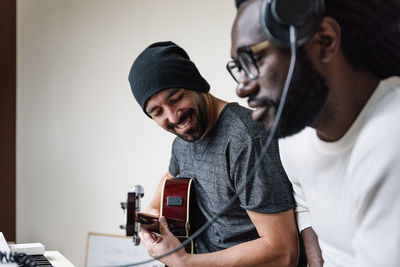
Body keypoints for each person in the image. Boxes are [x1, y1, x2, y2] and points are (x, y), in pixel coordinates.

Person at [230, 0, 400, 266]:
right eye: (238, 67)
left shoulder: (391, 136)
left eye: (253, 59)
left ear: (324, 41)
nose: (241, 88)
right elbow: (305, 205)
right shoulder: (293, 138)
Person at [128, 41, 300, 266]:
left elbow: (283, 251)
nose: (173, 117)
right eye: (157, 112)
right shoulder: (183, 141)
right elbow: (169, 179)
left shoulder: (245, 140)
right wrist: (149, 216)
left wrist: (185, 262)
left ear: (195, 83)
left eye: (176, 97)